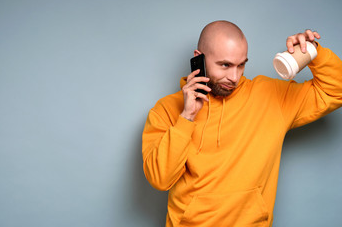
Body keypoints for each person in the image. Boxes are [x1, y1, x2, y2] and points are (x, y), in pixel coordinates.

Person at [142, 20, 342, 227]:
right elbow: (160, 179)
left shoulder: (271, 96)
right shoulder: (166, 109)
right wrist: (186, 117)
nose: (234, 77)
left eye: (241, 65)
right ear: (198, 58)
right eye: (225, 65)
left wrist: (313, 52)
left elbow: (335, 90)